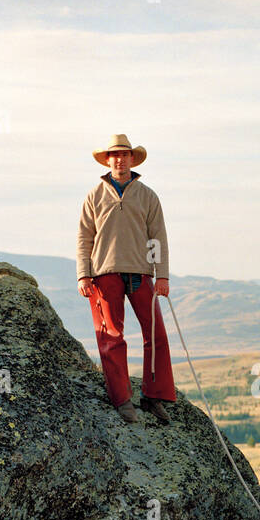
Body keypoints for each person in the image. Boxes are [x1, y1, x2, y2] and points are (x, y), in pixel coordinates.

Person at [76, 133, 177, 425]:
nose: (119, 159)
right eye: (114, 155)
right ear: (107, 160)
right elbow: (84, 237)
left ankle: (153, 396)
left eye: (124, 154)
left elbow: (158, 237)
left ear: (132, 159)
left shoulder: (147, 195)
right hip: (104, 272)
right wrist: (84, 273)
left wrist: (163, 275)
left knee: (155, 334)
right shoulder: (94, 196)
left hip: (141, 272)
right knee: (112, 337)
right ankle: (122, 399)